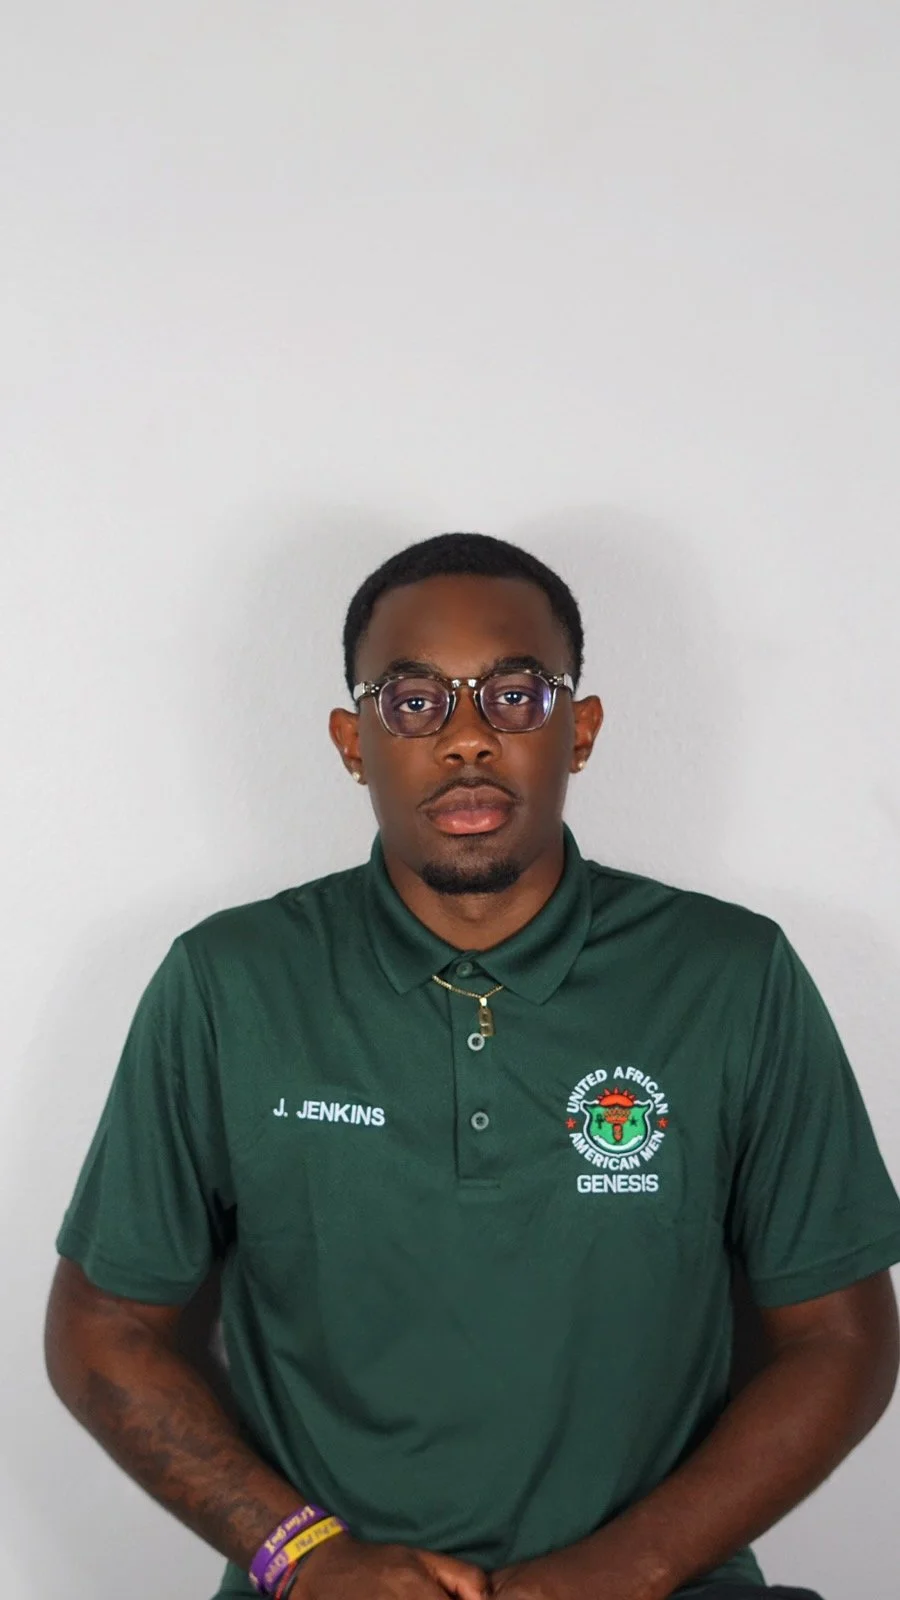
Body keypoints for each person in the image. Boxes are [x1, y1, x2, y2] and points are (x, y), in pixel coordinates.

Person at [46, 531, 900, 1600]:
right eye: (413, 702)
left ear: (578, 730)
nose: (465, 741)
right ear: (352, 740)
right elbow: (103, 1327)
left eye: (514, 696)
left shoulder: (732, 976)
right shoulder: (228, 984)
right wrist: (305, 1558)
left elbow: (842, 1335)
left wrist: (617, 1571)